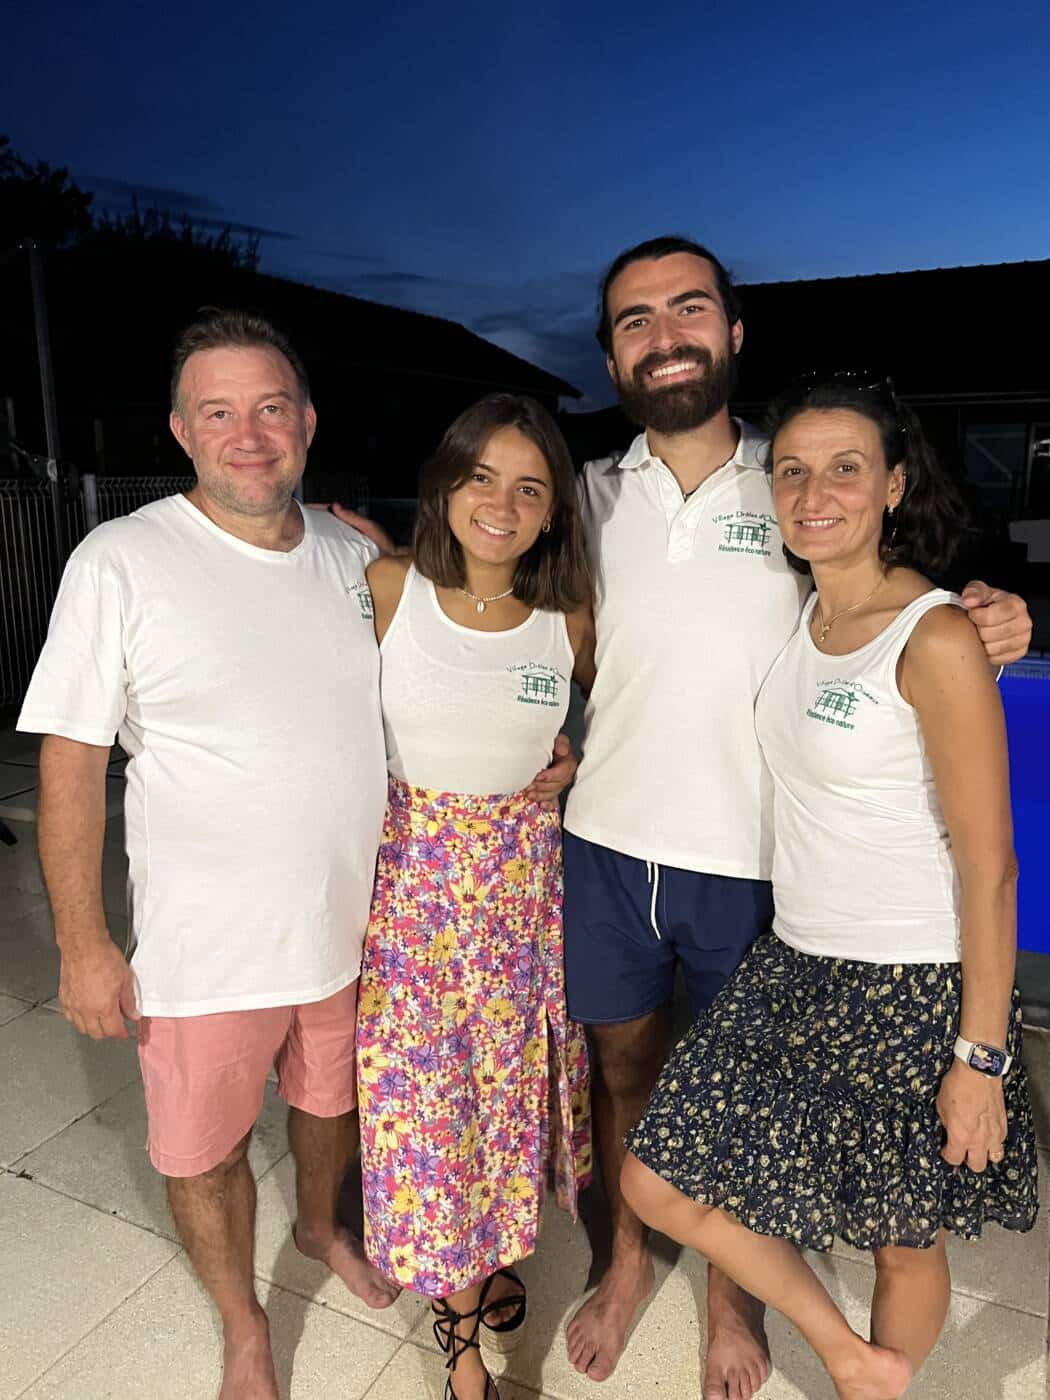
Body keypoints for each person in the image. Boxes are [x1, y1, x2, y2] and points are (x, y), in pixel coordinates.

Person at [16, 312, 573, 1400]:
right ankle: (241, 1321)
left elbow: (461, 666)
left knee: (330, 1105)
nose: (249, 433)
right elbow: (71, 761)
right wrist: (84, 944)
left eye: (271, 407)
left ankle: (321, 1227)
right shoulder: (118, 561)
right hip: (204, 947)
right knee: (207, 1150)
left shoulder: (354, 554)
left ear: (307, 421)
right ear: (182, 430)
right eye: (219, 412)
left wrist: (546, 746)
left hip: (355, 927)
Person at [559, 236, 1034, 1397]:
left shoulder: (791, 476)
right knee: (624, 1073)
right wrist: (356, 558)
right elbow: (485, 578)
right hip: (609, 840)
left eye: (687, 310)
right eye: (634, 319)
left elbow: (912, 606)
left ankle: (738, 1314)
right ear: (613, 350)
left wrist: (995, 615)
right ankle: (626, 1266)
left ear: (731, 332)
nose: (663, 335)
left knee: (775, 1148)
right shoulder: (583, 494)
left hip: (757, 868)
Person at [357, 394, 595, 1400]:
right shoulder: (383, 586)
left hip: (522, 904)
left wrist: (576, 756)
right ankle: (460, 1355)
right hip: (413, 902)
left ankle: (495, 1250)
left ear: (552, 513)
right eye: (483, 476)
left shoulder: (568, 620)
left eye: (529, 486)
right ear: (444, 483)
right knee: (427, 1114)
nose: (502, 502)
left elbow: (603, 728)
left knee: (506, 1102)